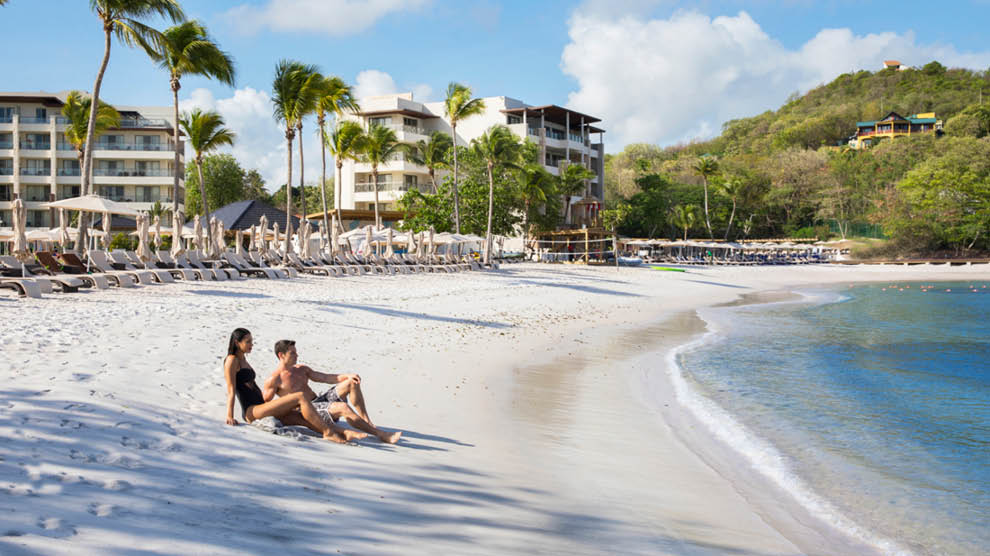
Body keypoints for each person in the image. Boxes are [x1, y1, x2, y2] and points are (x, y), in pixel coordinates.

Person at [223, 328, 366, 444]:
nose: (251, 344)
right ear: (237, 342)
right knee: (300, 396)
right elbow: (231, 389)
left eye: (251, 341)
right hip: (252, 411)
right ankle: (328, 433)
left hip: (261, 406)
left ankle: (343, 432)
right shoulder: (232, 360)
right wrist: (230, 415)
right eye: (248, 341)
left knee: (301, 418)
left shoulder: (243, 359)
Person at [263, 339, 402, 444]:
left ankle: (366, 420)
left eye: (296, 352)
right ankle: (381, 434)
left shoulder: (301, 369)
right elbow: (265, 404)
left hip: (319, 401)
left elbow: (325, 378)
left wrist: (347, 376)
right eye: (292, 353)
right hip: (309, 410)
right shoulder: (274, 379)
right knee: (343, 407)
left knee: (351, 382)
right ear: (281, 355)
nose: (297, 355)